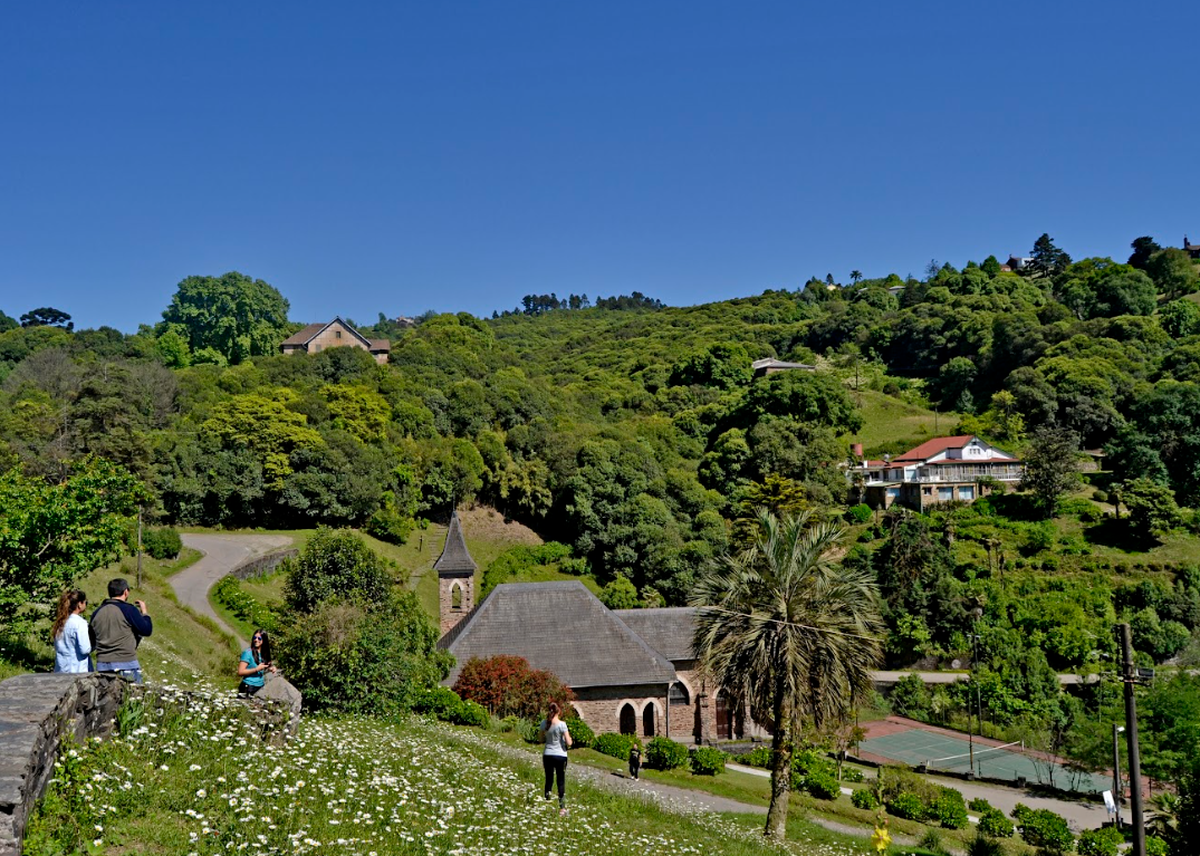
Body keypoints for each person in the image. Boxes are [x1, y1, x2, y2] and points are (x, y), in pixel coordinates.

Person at [90, 578, 152, 683]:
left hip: (103, 665)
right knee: (131, 693)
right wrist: (144, 613)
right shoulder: (129, 610)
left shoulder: (97, 612)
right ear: (126, 592)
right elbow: (146, 630)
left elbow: (92, 640)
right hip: (126, 663)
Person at [537, 701, 573, 815]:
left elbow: (540, 739)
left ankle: (547, 802)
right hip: (560, 755)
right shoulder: (562, 725)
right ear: (559, 711)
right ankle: (562, 808)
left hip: (548, 754)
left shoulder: (544, 723)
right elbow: (569, 743)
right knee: (560, 781)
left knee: (549, 779)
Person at [52, 589, 92, 673]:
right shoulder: (80, 623)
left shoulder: (60, 622)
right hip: (77, 669)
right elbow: (85, 649)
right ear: (79, 604)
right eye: (85, 602)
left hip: (61, 669)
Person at [237, 628, 276, 696]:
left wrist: (270, 668)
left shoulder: (264, 654)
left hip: (260, 686)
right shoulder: (248, 653)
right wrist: (256, 669)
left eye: (259, 638)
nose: (256, 640)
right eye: (255, 638)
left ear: (264, 640)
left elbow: (263, 669)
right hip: (248, 686)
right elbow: (240, 672)